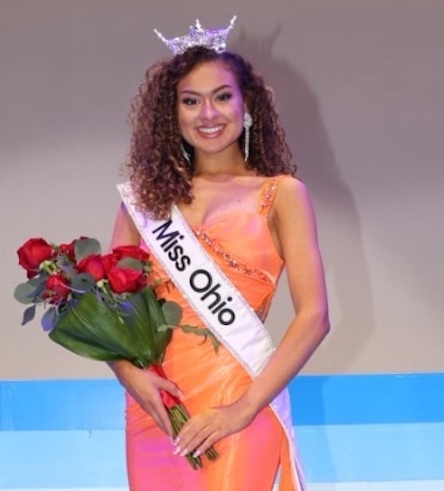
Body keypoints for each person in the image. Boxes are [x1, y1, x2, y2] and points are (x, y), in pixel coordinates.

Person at [106, 21, 330, 491]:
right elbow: (112, 309)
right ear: (172, 114)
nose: (208, 113)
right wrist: (130, 375)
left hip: (238, 403)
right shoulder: (144, 202)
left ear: (247, 104)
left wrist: (242, 409)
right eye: (191, 101)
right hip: (156, 409)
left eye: (222, 97)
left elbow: (314, 317)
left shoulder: (282, 194)